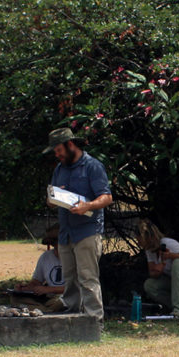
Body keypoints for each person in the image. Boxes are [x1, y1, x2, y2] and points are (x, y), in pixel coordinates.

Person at [44, 127, 112, 327]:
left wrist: (87, 206)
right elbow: (52, 197)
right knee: (70, 279)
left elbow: (107, 197)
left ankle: (94, 321)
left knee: (88, 277)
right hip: (66, 233)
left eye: (59, 150)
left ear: (70, 145)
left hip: (87, 231)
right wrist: (51, 198)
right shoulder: (60, 169)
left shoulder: (92, 166)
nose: (57, 155)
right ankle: (72, 319)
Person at [12, 224, 66, 313]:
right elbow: (37, 281)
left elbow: (77, 287)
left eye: (59, 247)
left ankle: (40, 309)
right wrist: (26, 288)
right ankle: (44, 309)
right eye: (54, 247)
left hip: (64, 296)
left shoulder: (76, 258)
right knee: (15, 298)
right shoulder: (46, 256)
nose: (57, 250)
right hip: (47, 297)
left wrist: (51, 289)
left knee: (61, 301)